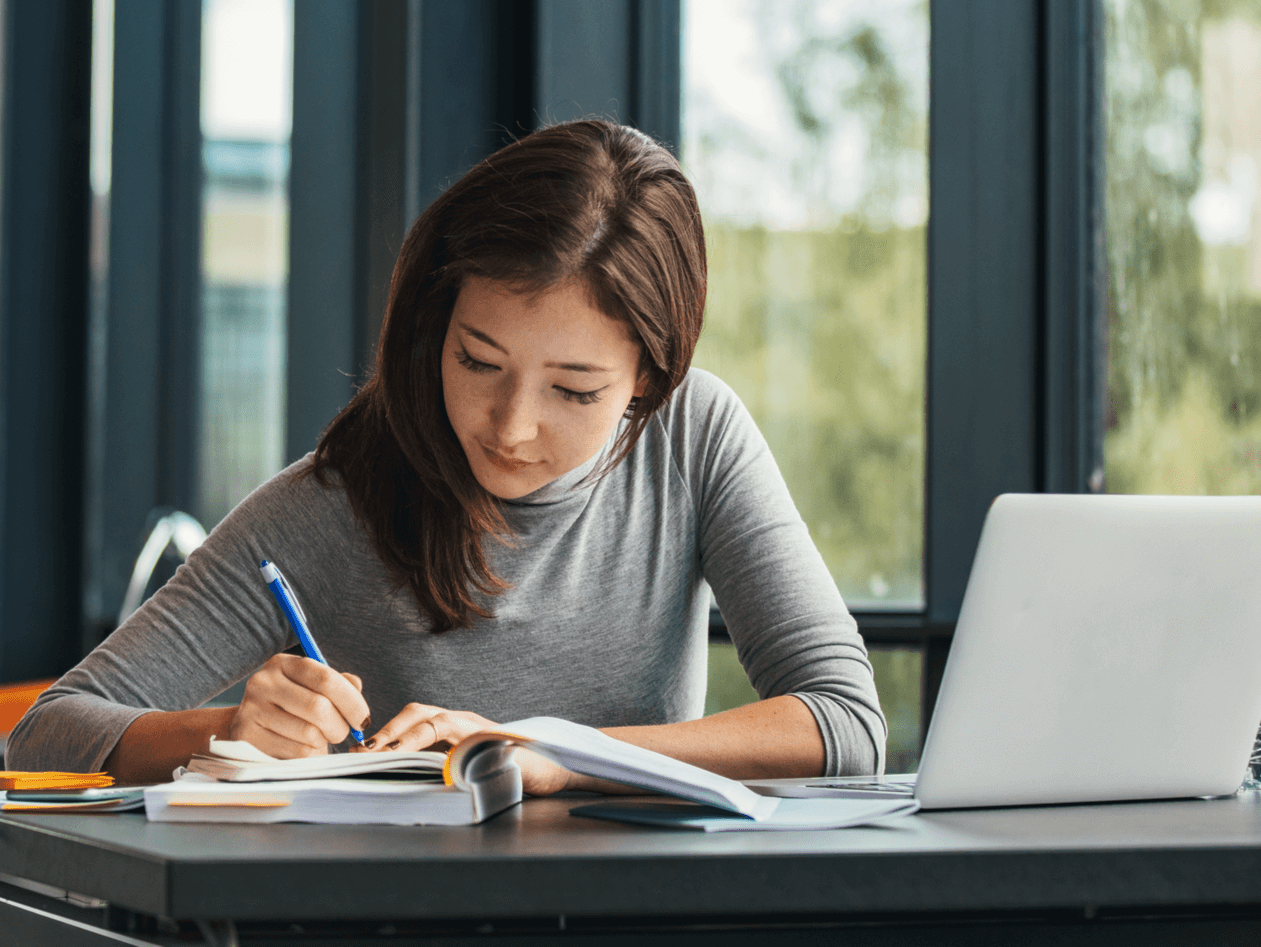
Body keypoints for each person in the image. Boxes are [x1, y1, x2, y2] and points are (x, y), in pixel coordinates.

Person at [8, 121, 886, 788]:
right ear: (435, 325)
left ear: (649, 381)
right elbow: (44, 733)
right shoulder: (337, 500)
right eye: (477, 361)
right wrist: (227, 729)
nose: (509, 426)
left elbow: (844, 723)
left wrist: (546, 752)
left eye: (574, 391)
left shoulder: (693, 438)